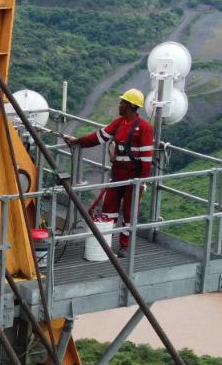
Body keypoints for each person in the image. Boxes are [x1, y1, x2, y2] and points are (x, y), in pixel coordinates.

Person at [64, 89, 154, 256]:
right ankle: (105, 243)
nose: (119, 105)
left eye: (122, 103)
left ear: (130, 106)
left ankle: (125, 245)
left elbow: (146, 159)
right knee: (109, 208)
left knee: (129, 212)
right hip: (117, 175)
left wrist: (141, 182)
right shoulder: (118, 123)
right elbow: (98, 137)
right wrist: (77, 141)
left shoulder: (144, 128)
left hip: (133, 178)